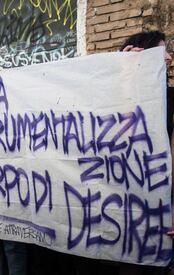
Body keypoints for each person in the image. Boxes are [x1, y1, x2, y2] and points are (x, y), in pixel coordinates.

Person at [118, 31, 173, 275]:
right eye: (160, 52)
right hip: (122, 207)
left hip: (161, 202)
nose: (168, 57)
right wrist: (120, 66)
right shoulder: (116, 96)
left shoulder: (170, 97)